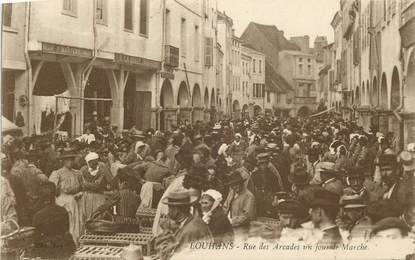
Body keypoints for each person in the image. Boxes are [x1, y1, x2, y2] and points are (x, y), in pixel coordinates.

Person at [31, 182, 76, 259]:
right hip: (64, 248)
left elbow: (36, 238)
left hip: (47, 251)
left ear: (41, 197)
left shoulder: (38, 216)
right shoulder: (63, 211)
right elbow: (66, 230)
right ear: (54, 195)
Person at [49, 150, 83, 244]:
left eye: (72, 159)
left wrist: (79, 193)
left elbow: (82, 187)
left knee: (76, 223)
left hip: (76, 201)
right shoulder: (57, 173)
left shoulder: (77, 173)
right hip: (62, 201)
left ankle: (76, 242)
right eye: (67, 160)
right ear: (63, 161)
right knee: (66, 222)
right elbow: (51, 189)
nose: (70, 162)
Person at [79, 152, 112, 225]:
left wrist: (87, 184)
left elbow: (109, 180)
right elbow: (82, 184)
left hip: (100, 196)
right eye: (92, 163)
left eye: (96, 162)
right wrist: (95, 184)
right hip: (87, 197)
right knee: (88, 217)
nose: (94, 164)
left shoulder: (102, 167)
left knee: (99, 217)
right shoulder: (83, 170)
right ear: (88, 162)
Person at [223, 171, 256, 237]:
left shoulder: (249, 196)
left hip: (243, 230)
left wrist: (231, 222)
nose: (234, 187)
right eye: (232, 185)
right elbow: (225, 207)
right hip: (230, 228)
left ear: (241, 183)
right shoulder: (232, 192)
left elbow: (247, 216)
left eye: (236, 184)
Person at [251, 153, 283, 217]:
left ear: (268, 164)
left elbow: (276, 189)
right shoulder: (254, 175)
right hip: (258, 198)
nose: (263, 166)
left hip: (269, 198)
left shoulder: (272, 175)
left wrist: (275, 198)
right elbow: (251, 188)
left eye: (265, 163)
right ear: (259, 165)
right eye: (261, 164)